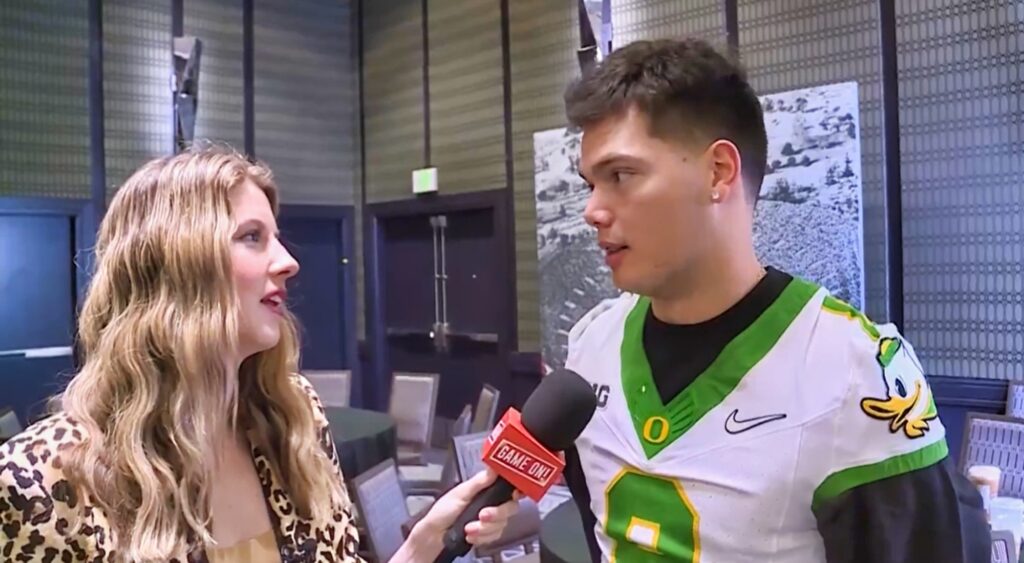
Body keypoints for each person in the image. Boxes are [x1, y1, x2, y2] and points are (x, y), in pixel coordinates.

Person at [559, 38, 989, 562]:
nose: (593, 211)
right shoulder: (590, 345)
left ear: (718, 172)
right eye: (590, 184)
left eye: (621, 176)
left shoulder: (855, 374)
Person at [0, 146, 518, 562]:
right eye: (252, 237)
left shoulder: (293, 418)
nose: (289, 262)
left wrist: (423, 545)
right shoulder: (40, 478)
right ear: (176, 268)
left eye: (277, 236)